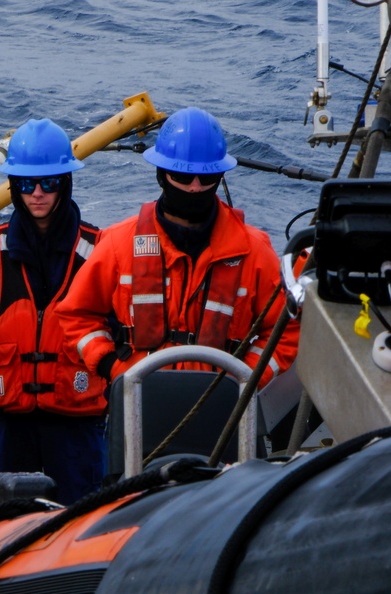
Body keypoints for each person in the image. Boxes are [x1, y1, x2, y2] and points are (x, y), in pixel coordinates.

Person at [56, 106, 300, 394]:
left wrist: (243, 380)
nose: (195, 188)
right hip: (138, 397)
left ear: (220, 177)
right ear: (161, 175)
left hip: (221, 405)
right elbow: (75, 316)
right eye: (184, 178)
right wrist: (114, 368)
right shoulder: (117, 244)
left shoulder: (254, 252)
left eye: (206, 178)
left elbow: (285, 330)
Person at [0, 118, 108, 507]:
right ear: (13, 186)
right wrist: (1, 332)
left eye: (49, 182)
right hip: (7, 425)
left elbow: (119, 321)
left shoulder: (97, 251)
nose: (37, 193)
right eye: (26, 183)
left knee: (77, 525)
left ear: (65, 182)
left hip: (76, 426)